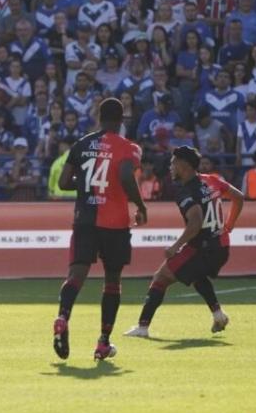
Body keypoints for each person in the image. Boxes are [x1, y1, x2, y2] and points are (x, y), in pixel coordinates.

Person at [53, 98, 148, 361]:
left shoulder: (81, 144)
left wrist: (89, 185)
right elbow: (127, 176)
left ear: (98, 116)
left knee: (76, 274)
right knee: (112, 282)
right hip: (114, 223)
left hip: (84, 219)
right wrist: (140, 205)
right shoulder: (129, 148)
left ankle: (62, 317)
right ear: (122, 119)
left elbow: (62, 182)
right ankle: (103, 342)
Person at [124, 146, 244, 337]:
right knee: (196, 275)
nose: (170, 167)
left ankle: (142, 327)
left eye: (173, 163)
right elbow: (239, 197)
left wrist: (175, 246)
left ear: (183, 165)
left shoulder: (185, 192)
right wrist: (229, 225)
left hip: (201, 247)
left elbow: (195, 223)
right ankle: (219, 315)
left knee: (161, 277)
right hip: (221, 246)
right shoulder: (211, 180)